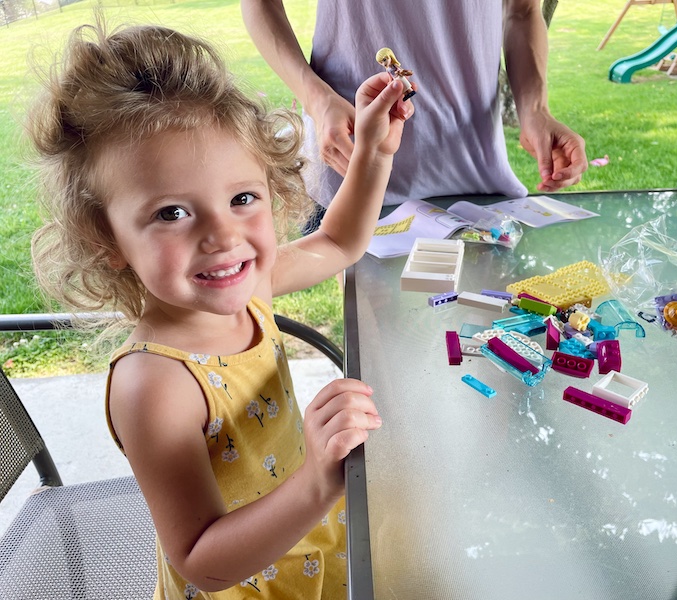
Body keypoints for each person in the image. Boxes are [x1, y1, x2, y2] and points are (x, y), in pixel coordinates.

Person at [28, 21, 411, 599]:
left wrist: (373, 154)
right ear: (106, 240)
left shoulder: (248, 285)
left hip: (306, 539)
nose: (222, 236)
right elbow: (200, 562)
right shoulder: (154, 384)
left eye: (241, 199)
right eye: (172, 214)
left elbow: (338, 244)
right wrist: (315, 479)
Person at [241, 0, 588, 230]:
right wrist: (317, 100)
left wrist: (535, 109)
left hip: (477, 179)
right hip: (353, 163)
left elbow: (522, 11)